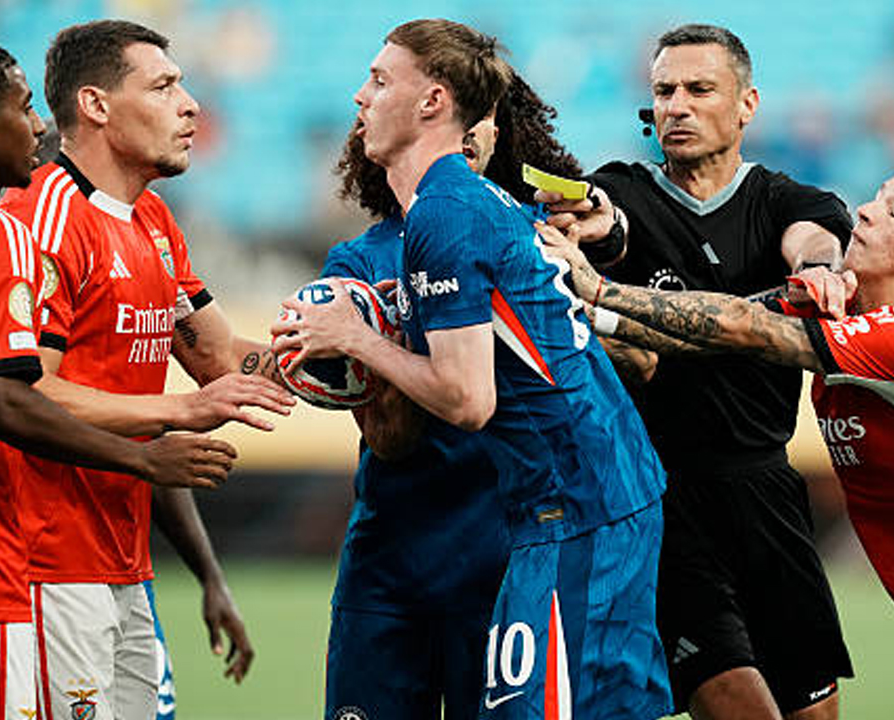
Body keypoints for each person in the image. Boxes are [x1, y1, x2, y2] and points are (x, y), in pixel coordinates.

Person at [542, 158, 894, 720]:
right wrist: (588, 316)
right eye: (878, 195)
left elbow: (744, 327)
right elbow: (720, 329)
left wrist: (598, 290)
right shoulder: (836, 304)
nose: (865, 212)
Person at [273, 19, 670, 719]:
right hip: (562, 506)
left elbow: (467, 401)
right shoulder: (469, 205)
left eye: (379, 79)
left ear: (432, 102)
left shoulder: (445, 214)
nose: (360, 96)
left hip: (581, 506)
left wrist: (353, 337)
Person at [0, 37, 236, 719]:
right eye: (24, 109)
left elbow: (218, 355)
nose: (40, 125)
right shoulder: (2, 232)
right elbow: (7, 401)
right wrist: (150, 448)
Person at [539, 23, 852, 720]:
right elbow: (605, 219)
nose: (676, 105)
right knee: (737, 702)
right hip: (662, 497)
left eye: (698, 89)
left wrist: (820, 270)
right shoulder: (622, 187)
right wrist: (595, 225)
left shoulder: (785, 200)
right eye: (663, 91)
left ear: (746, 104)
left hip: (767, 492)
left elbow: (813, 241)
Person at [0, 20, 294, 720]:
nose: (190, 104)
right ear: (97, 105)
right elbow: (23, 392)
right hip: (45, 567)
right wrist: (177, 411)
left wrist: (357, 352)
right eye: (163, 86)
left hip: (124, 565)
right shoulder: (42, 218)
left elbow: (222, 359)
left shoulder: (153, 220)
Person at [321, 69, 583, 720]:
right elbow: (389, 438)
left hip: (506, 566)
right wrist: (372, 340)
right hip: (391, 567)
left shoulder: (531, 243)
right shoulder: (359, 263)